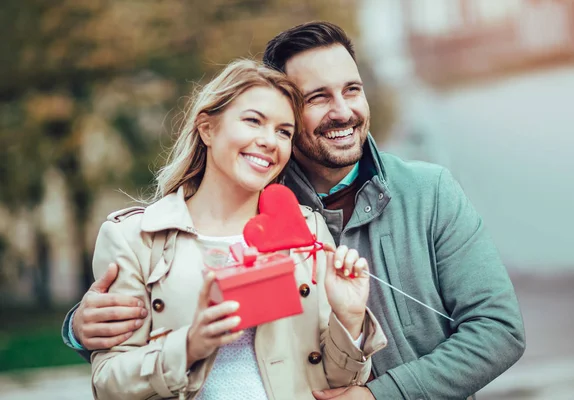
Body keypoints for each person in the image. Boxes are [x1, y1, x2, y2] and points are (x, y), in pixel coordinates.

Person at [63, 22, 526, 399]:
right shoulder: (250, 190)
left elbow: (499, 330)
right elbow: (136, 345)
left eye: (352, 89)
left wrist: (378, 393)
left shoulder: (430, 191)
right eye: (318, 97)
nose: (343, 111)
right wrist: (79, 327)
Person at [79, 59, 387, 400]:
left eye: (283, 131)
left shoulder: (307, 228)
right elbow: (107, 384)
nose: (269, 141)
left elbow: (336, 380)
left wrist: (350, 319)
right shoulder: (136, 238)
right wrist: (190, 346)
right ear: (207, 128)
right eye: (254, 121)